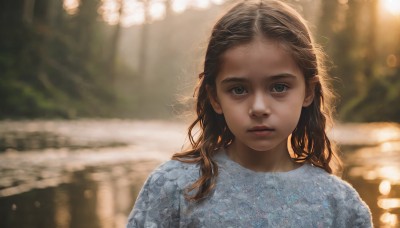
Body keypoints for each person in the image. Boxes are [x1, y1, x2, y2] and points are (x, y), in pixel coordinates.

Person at [126, 0, 373, 227]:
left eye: (279, 87)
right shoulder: (174, 188)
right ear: (215, 98)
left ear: (308, 91)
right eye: (239, 89)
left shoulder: (340, 205)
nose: (258, 108)